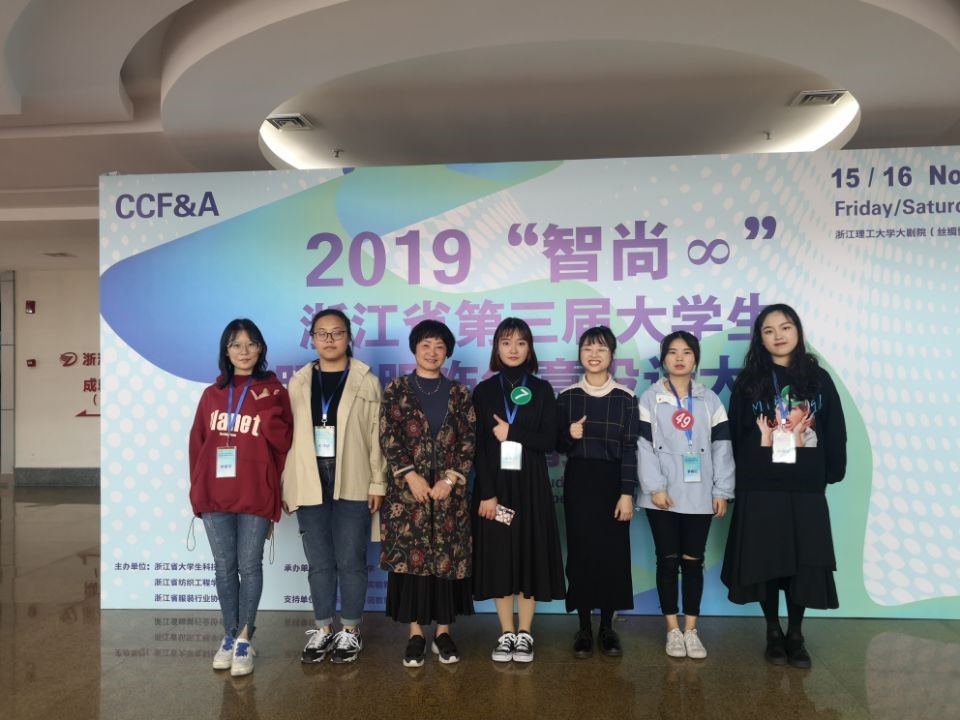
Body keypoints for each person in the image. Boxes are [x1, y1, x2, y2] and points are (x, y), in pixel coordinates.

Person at [721, 304, 847, 669]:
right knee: (765, 559)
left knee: (802, 562)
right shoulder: (749, 381)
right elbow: (735, 434)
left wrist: (832, 471)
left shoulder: (818, 379)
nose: (778, 335)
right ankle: (773, 631)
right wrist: (735, 479)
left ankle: (796, 634)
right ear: (760, 339)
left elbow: (835, 427)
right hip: (759, 483)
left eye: (785, 327)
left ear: (798, 332)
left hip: (805, 482)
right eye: (769, 330)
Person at [188, 318, 293, 677]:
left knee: (249, 566)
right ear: (226, 351)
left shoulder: (274, 391)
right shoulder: (212, 395)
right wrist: (197, 489)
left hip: (255, 493)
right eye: (236, 344)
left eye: (251, 344)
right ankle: (229, 635)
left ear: (261, 348)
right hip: (215, 494)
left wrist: (265, 408)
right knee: (223, 566)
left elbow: (284, 443)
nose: (244, 351)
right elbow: (198, 445)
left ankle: (246, 638)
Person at [282, 308, 387, 664]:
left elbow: (376, 436)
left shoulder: (366, 380)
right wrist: (288, 484)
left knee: (351, 560)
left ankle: (351, 631)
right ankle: (324, 629)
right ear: (312, 339)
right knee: (319, 561)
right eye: (322, 333)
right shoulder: (299, 382)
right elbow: (288, 439)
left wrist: (378, 482)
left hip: (353, 476)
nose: (329, 340)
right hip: (310, 476)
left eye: (337, 333)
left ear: (348, 338)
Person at [379, 320, 477, 667]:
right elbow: (388, 436)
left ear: (447, 352)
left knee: (446, 562)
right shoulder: (396, 389)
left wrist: (449, 481)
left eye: (439, 346)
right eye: (425, 345)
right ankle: (416, 635)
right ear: (414, 349)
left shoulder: (460, 393)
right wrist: (411, 477)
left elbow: (469, 440)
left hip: (448, 495)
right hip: (409, 496)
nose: (432, 352)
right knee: (413, 564)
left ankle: (444, 633)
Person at [472, 317, 565, 663]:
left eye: (521, 342)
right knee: (500, 556)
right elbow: (478, 448)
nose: (513, 349)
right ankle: (506, 633)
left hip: (531, 487)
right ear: (496, 348)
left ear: (530, 349)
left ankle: (525, 633)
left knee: (530, 554)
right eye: (506, 342)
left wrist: (513, 433)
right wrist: (487, 493)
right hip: (495, 488)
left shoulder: (541, 389)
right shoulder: (483, 392)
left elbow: (549, 441)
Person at [637, 331, 734, 659]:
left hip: (701, 493)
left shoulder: (710, 400)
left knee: (693, 562)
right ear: (663, 359)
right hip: (662, 496)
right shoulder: (649, 399)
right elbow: (643, 446)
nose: (679, 358)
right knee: (667, 561)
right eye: (672, 352)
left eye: (687, 352)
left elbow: (722, 447)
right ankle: (672, 630)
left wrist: (722, 490)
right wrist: (655, 488)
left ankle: (691, 630)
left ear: (695, 359)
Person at [557, 326, 639, 658]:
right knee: (581, 554)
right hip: (579, 480)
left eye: (601, 349)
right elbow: (557, 445)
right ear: (580, 354)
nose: (594, 355)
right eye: (588, 348)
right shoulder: (567, 397)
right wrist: (569, 435)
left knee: (612, 555)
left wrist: (627, 492)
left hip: (613, 481)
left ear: (611, 355)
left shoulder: (625, 398)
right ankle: (583, 628)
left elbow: (630, 448)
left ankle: (607, 627)